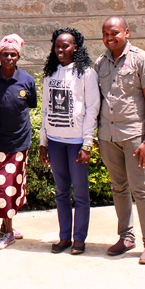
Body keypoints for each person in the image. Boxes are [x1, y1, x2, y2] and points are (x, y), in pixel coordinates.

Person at [94, 16, 145, 265]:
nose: (109, 38)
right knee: (118, 188)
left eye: (114, 33)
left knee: (140, 189)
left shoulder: (141, 59)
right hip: (107, 137)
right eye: (105, 34)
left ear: (127, 32)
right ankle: (126, 237)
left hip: (134, 137)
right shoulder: (99, 63)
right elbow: (95, 101)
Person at [39, 28, 100, 255]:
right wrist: (43, 142)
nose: (61, 50)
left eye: (66, 46)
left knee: (81, 194)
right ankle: (64, 237)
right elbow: (46, 109)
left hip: (76, 143)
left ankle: (79, 239)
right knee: (61, 192)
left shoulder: (86, 74)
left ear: (76, 47)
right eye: (57, 46)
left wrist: (87, 144)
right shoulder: (50, 73)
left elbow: (92, 109)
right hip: (55, 142)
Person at [0, 34, 37, 250]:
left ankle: (8, 229)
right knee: (1, 187)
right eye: (5, 54)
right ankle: (7, 228)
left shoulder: (27, 80)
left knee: (14, 186)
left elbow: (29, 106)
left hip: (20, 143)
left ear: (18, 56)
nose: (9, 57)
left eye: (13, 54)